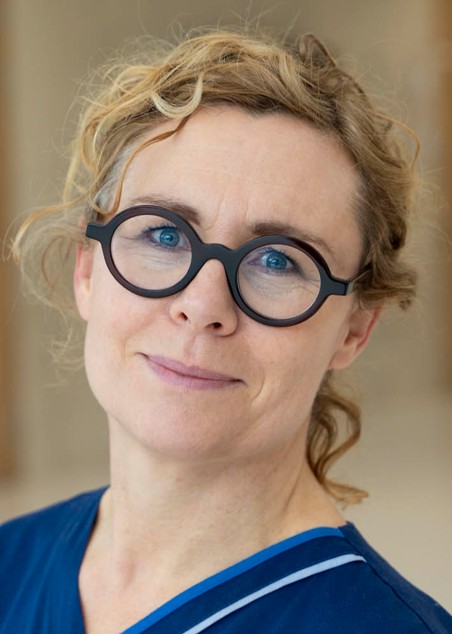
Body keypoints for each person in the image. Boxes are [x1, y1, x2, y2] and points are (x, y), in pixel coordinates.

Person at [1, 28, 451, 634]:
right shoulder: (9, 562)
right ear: (87, 269)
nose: (203, 304)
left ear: (355, 328)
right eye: (163, 234)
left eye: (278, 261)